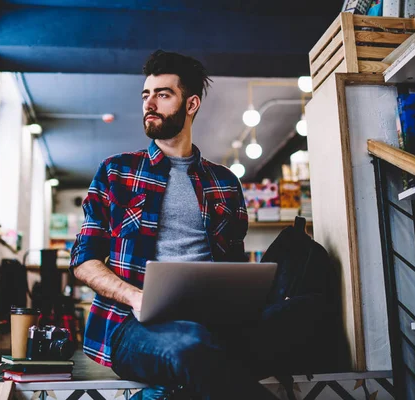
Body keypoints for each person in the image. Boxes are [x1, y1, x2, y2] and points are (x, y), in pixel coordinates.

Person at [70, 50, 283, 399]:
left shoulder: (225, 182)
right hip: (134, 326)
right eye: (145, 95)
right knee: (193, 346)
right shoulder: (117, 172)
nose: (149, 103)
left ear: (191, 103)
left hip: (212, 321)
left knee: (279, 334)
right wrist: (135, 297)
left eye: (163, 94)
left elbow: (233, 267)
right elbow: (84, 260)